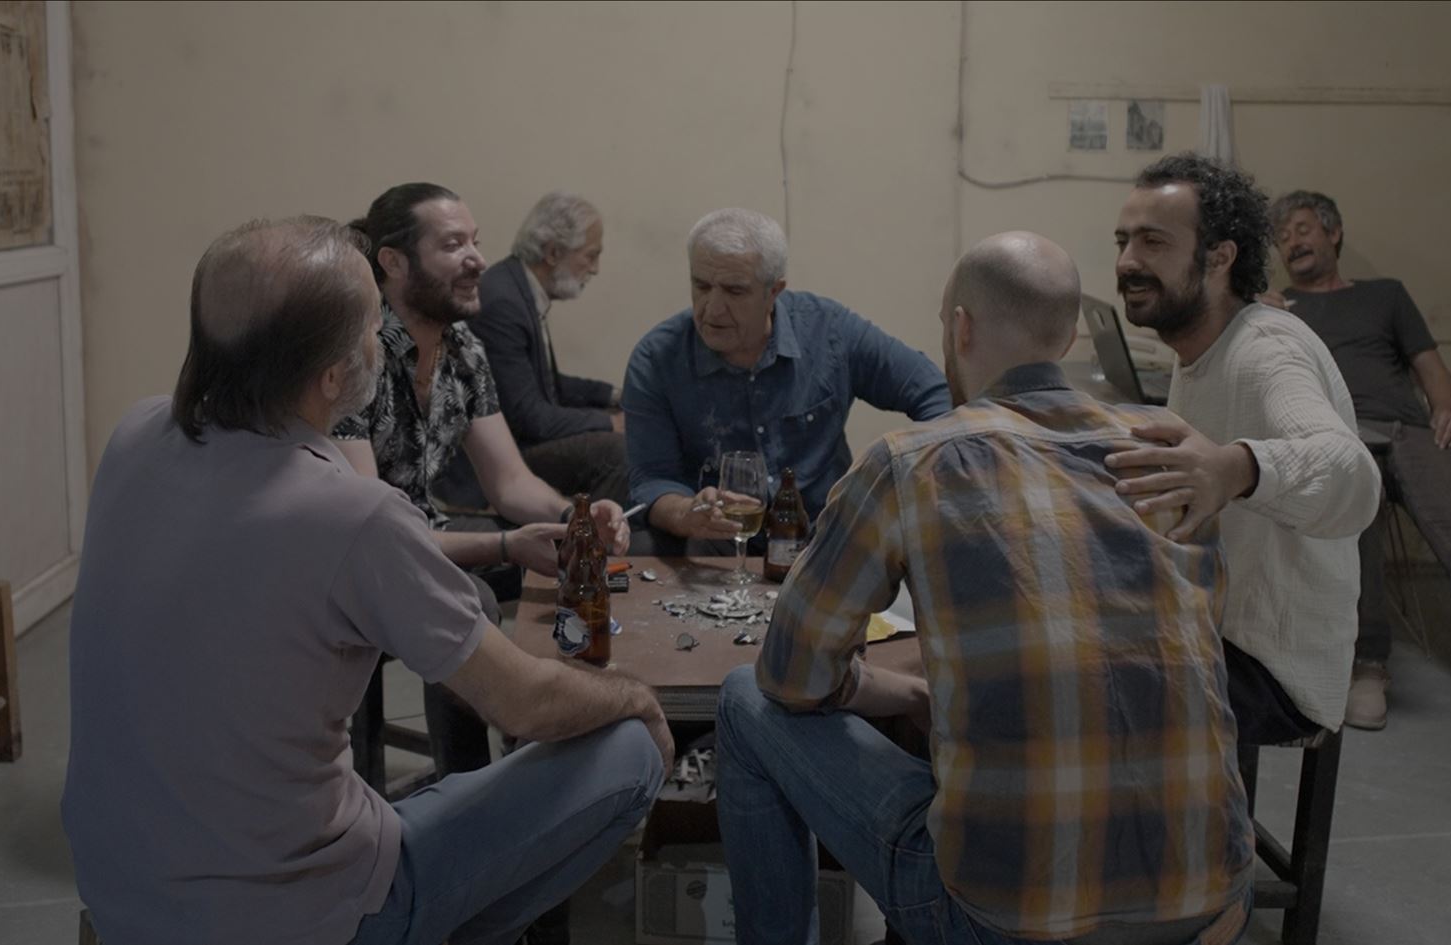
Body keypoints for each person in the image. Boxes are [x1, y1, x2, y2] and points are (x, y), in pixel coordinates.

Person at [61, 216, 670, 945]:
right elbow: (523, 703)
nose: (385, 337)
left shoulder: (135, 432)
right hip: (291, 917)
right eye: (375, 323)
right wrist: (636, 696)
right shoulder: (353, 516)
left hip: (122, 889)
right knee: (628, 750)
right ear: (331, 375)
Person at [717, 231, 1254, 945]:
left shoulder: (910, 462)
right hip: (1213, 908)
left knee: (745, 698)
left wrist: (898, 690)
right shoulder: (1169, 450)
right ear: (1067, 338)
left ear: (961, 328)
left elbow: (791, 676)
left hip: (1006, 923)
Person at [334, 183, 631, 945]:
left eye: (475, 239)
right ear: (394, 262)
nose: (476, 259)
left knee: (543, 570)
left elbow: (509, 484)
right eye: (453, 244)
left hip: (417, 538)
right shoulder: (355, 354)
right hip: (345, 562)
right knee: (465, 586)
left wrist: (575, 520)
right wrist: (504, 543)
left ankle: (535, 769)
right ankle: (469, 807)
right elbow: (368, 530)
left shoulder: (463, 349)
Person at [1108, 154, 1381, 745]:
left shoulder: (1265, 351)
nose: (1127, 261)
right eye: (1124, 241)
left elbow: (1354, 475)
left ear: (1219, 257)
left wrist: (1238, 466)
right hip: (1214, 625)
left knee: (1055, 681)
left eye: (1153, 242)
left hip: (1275, 671)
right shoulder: (1201, 348)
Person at [1262, 189, 1451, 729]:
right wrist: (1263, 319)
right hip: (1340, 434)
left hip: (1410, 431)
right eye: (1284, 238)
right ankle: (1367, 665)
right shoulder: (1280, 308)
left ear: (1333, 233)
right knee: (1354, 517)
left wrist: (1445, 409)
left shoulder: (1386, 295)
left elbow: (1431, 369)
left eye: (1303, 229)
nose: (1293, 243)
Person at [622, 208, 951, 549]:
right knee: (642, 548)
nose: (713, 308)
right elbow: (652, 479)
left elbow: (932, 392)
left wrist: (918, 479)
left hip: (824, 542)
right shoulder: (657, 358)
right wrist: (685, 512)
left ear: (774, 291)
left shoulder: (828, 332)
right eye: (701, 286)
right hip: (716, 545)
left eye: (735, 291)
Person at [469, 191, 629, 506]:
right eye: (591, 256)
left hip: (521, 440)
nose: (595, 269)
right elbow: (530, 418)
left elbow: (546, 383)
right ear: (553, 253)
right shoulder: (503, 302)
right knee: (617, 452)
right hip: (504, 459)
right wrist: (612, 423)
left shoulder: (517, 288)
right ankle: (590, 533)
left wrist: (613, 396)